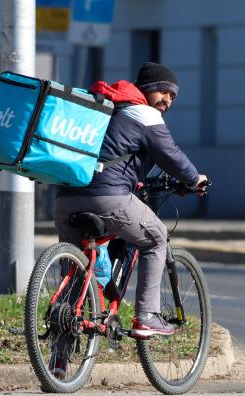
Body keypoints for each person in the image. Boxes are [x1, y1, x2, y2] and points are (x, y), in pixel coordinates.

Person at [54, 62, 208, 340]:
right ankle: (148, 315)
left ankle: (59, 363)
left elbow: (117, 154)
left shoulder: (105, 110)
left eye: (173, 96)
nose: (168, 100)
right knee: (157, 237)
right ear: (147, 90)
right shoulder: (143, 113)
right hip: (107, 198)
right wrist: (194, 179)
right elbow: (171, 155)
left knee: (74, 282)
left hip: (65, 198)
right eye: (163, 92)